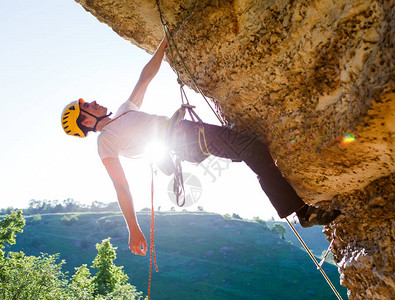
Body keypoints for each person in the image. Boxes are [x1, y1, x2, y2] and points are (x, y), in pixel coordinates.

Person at [61, 37, 340, 256]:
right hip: (182, 139)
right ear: (84, 120)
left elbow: (145, 77)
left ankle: (300, 210)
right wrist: (134, 229)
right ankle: (303, 212)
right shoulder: (105, 141)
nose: (93, 102)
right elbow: (122, 187)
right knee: (252, 149)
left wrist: (164, 44)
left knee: (251, 149)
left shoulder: (124, 111)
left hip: (185, 137)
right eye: (86, 106)